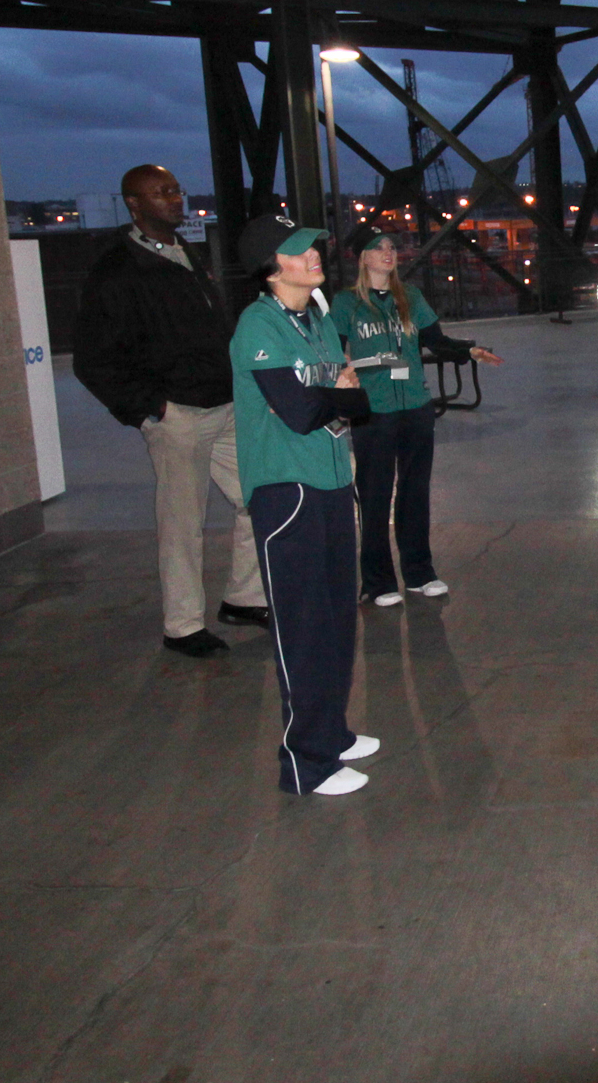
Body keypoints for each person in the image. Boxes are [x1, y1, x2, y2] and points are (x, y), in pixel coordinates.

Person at [73, 164, 268, 659]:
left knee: (260, 496)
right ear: (134, 205)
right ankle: (182, 625)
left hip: (225, 406)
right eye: (161, 193)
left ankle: (244, 599)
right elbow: (92, 359)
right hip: (178, 414)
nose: (175, 199)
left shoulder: (186, 252)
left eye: (176, 190)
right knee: (183, 523)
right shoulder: (117, 269)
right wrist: (149, 409)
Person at [229, 215, 378, 797]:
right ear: (273, 267)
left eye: (312, 246)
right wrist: (336, 395)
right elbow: (300, 411)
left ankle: (333, 733)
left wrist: (336, 396)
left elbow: (357, 403)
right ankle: (305, 762)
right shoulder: (258, 325)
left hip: (333, 478)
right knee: (302, 627)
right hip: (287, 490)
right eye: (299, 250)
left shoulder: (315, 316)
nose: (315, 255)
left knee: (340, 615)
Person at [329, 228, 503, 607]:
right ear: (363, 258)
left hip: (415, 406)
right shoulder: (345, 304)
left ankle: (420, 573)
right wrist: (342, 372)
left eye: (392, 247)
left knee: (414, 492)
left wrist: (469, 351)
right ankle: (377, 581)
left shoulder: (411, 297)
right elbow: (330, 349)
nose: (389, 253)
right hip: (372, 411)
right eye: (379, 248)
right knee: (374, 495)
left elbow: (435, 341)